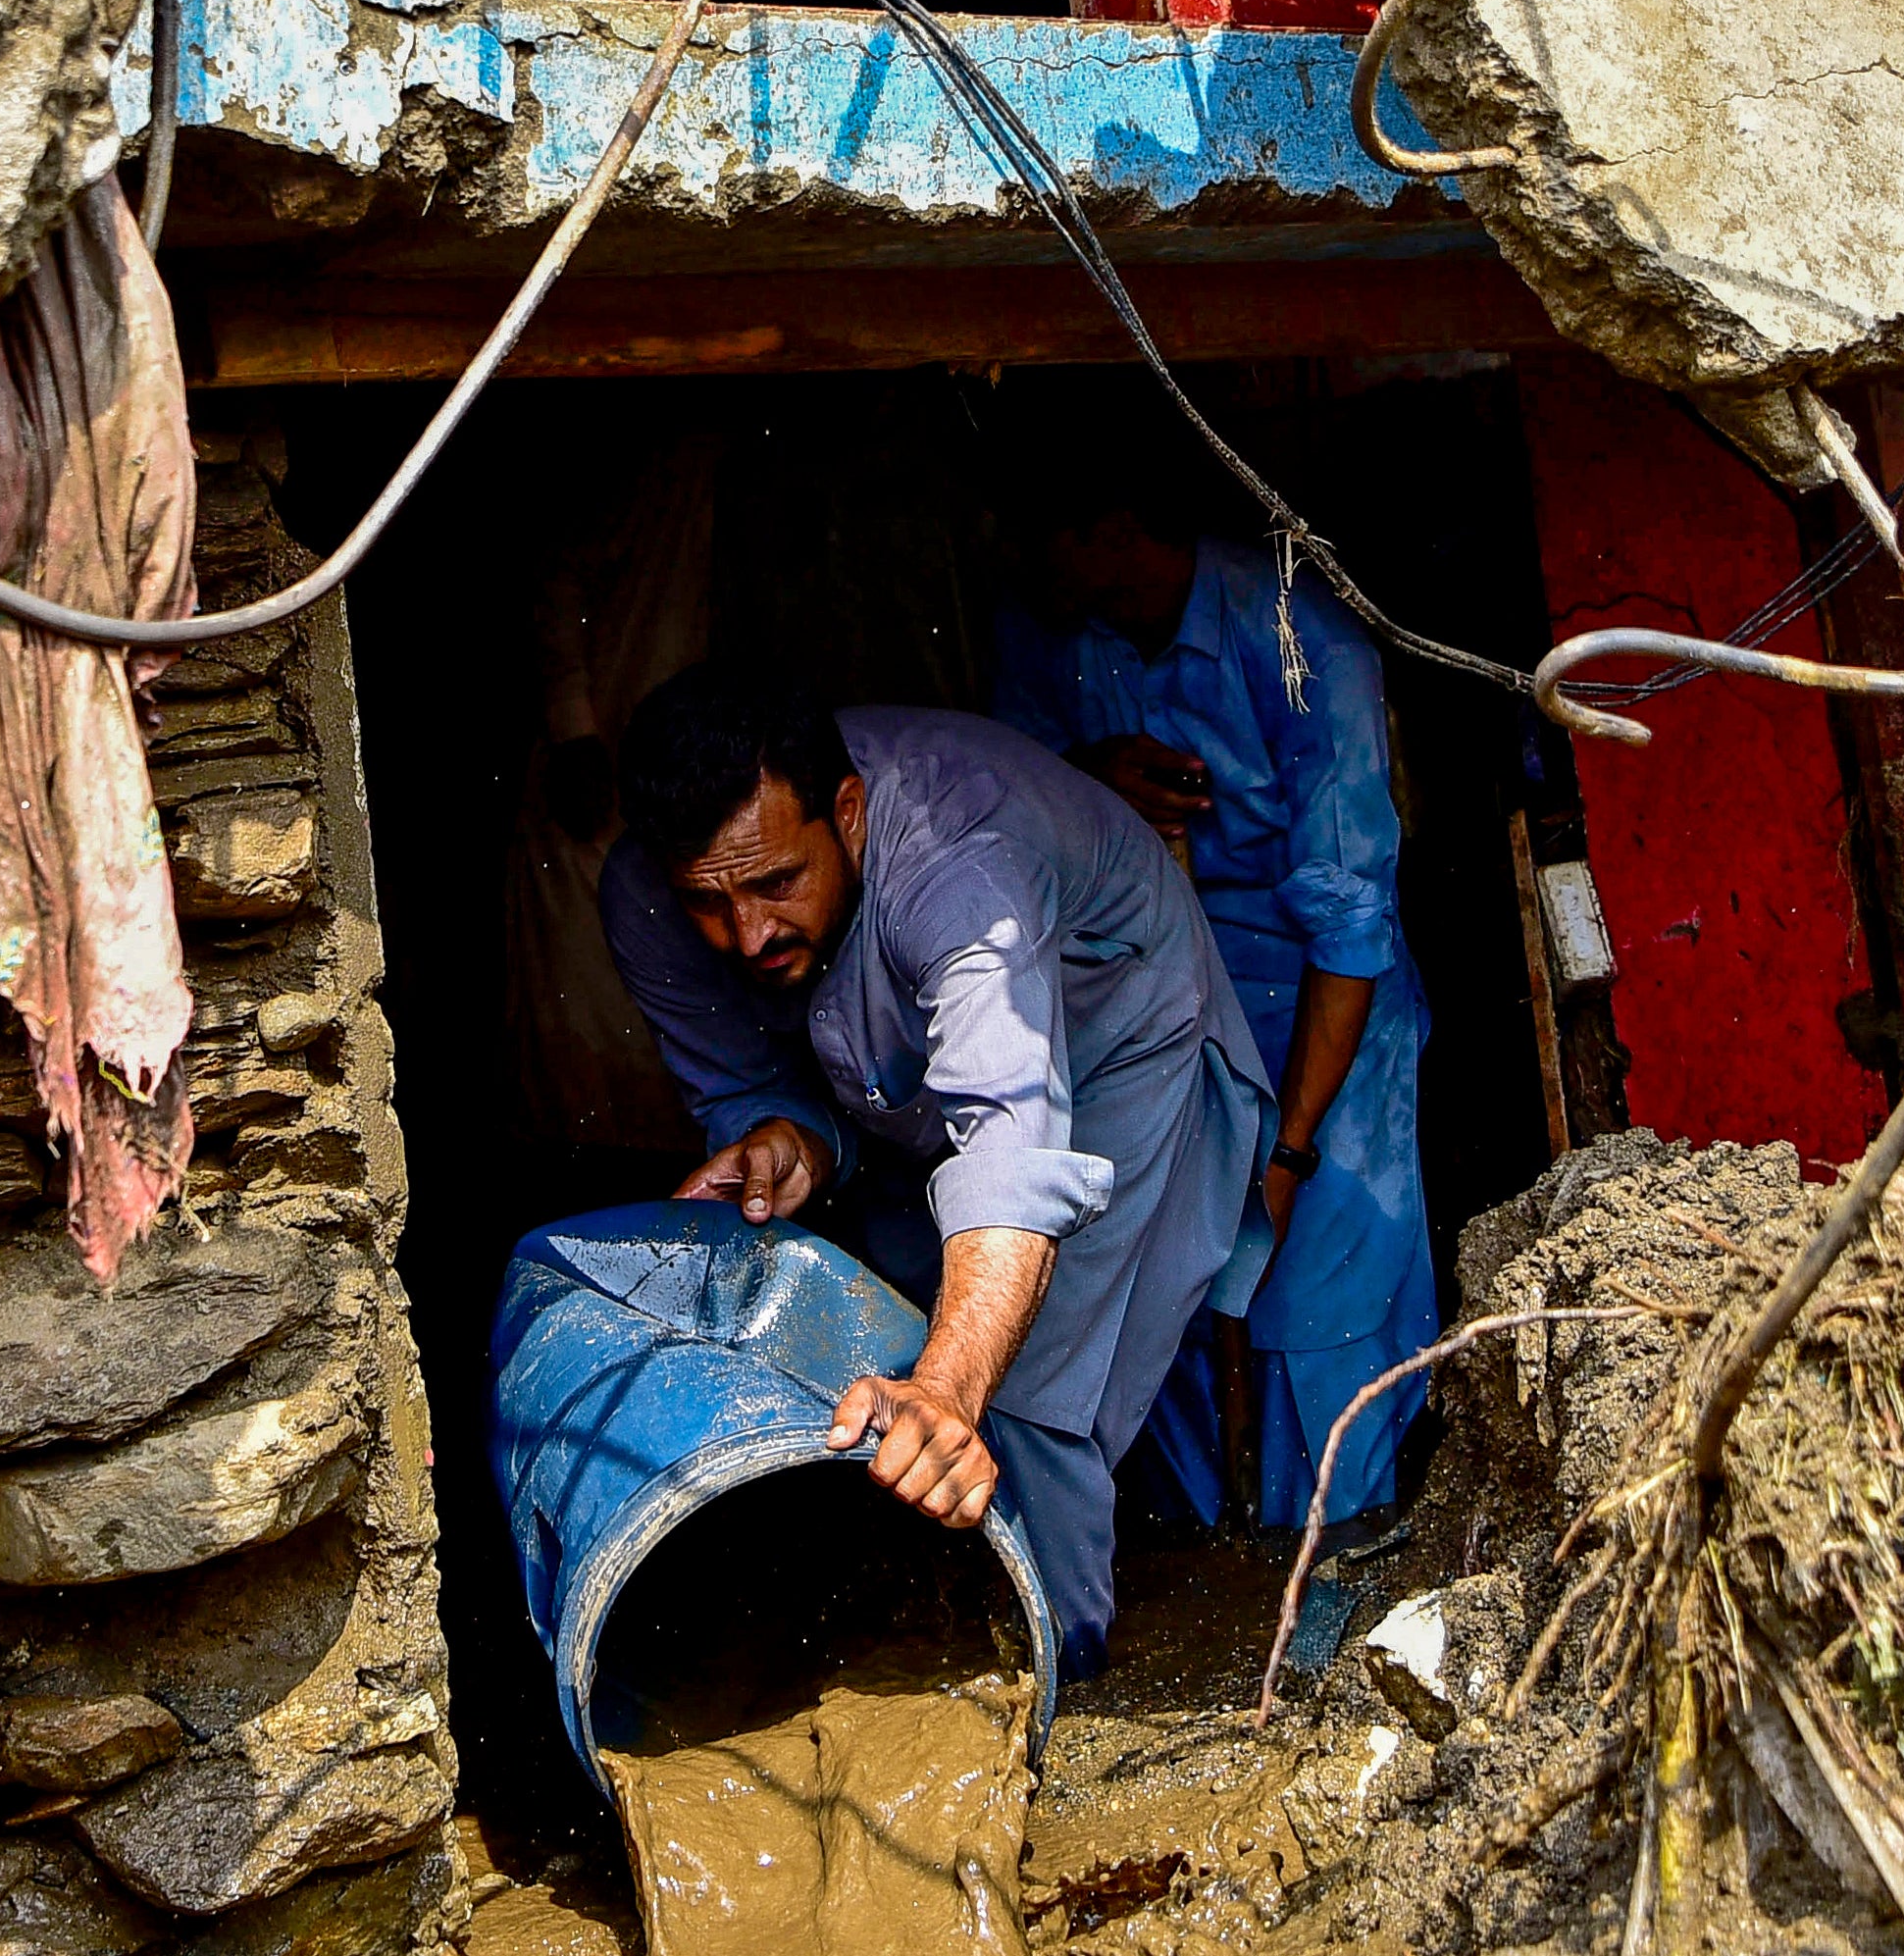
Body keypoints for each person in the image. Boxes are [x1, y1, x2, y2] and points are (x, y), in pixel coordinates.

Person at [594, 667, 1269, 1673]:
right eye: (708, 900)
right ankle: (928, 1643)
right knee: (897, 1330)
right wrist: (789, 1139)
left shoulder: (962, 870)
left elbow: (1010, 1148)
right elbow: (746, 1088)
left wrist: (950, 1392)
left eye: (779, 883)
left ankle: (1055, 1676)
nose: (747, 934)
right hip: (900, 1094)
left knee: (1023, 1386)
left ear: (851, 813)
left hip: (1105, 1048)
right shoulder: (645, 896)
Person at [998, 478, 1443, 1538]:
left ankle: (1331, 1566)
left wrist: (1287, 1152)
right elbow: (1004, 790)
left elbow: (1349, 923)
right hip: (1149, 995)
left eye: (1040, 530)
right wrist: (1086, 772)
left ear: (1115, 523)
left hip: (1329, 1004)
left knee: (1321, 1292)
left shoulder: (1303, 636)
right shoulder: (1049, 631)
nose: (1017, 562)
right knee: (1173, 1289)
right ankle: (1213, 1563)